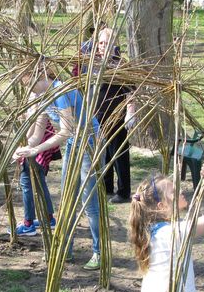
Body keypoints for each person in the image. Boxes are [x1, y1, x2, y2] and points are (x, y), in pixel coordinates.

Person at [12, 63, 103, 271]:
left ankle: (99, 251)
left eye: (28, 84)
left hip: (90, 143)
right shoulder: (43, 97)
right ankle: (65, 248)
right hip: (73, 144)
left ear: (38, 76)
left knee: (88, 200)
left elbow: (66, 130)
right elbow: (36, 135)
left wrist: (36, 150)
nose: (28, 89)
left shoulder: (62, 91)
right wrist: (24, 148)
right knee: (67, 197)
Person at [94, 27, 134, 203]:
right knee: (105, 153)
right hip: (98, 116)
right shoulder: (95, 63)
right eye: (101, 43)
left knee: (119, 154)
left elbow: (131, 91)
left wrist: (130, 112)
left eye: (107, 43)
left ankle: (124, 192)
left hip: (116, 116)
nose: (103, 46)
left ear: (114, 44)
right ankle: (107, 187)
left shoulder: (121, 65)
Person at [13, 100, 59, 237]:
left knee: (27, 183)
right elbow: (30, 127)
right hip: (35, 146)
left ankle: (28, 224)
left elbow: (36, 135)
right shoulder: (35, 97)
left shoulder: (41, 101)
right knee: (40, 183)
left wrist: (21, 149)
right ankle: (48, 218)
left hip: (37, 148)